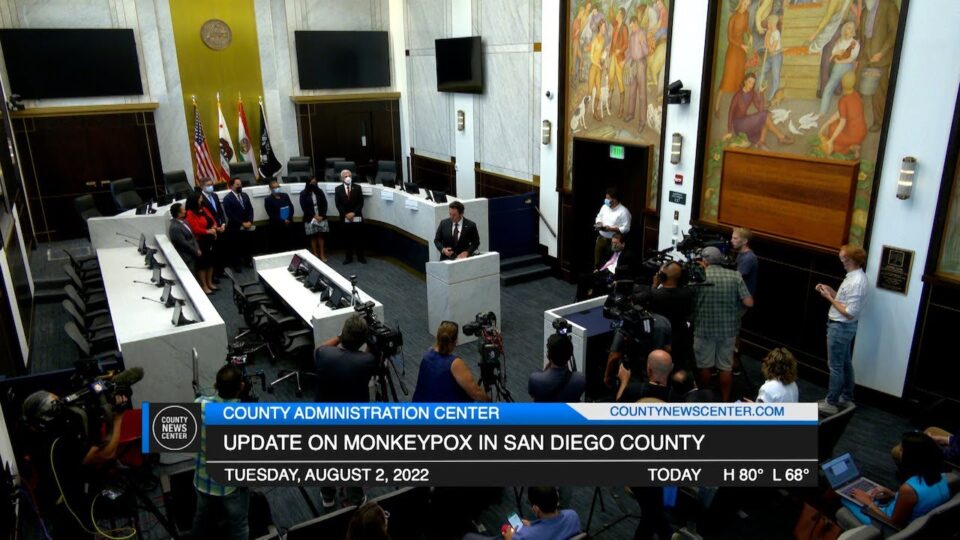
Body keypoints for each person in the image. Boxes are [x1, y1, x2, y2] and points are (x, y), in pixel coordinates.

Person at [20, 390, 127, 539]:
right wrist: (117, 419)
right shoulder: (60, 444)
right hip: (74, 516)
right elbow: (106, 454)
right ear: (48, 416)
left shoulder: (35, 435)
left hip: (57, 510)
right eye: (58, 406)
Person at [313, 314, 376, 508]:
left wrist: (340, 336)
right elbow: (372, 357)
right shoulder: (366, 361)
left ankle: (328, 495)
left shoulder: (324, 354)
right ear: (362, 340)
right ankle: (355, 497)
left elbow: (319, 348)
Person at [841, 432, 950, 528]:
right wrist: (893, 494)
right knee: (868, 496)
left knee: (843, 496)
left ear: (911, 457)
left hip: (884, 523)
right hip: (910, 517)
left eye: (902, 450)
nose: (899, 452)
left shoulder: (908, 489)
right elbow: (918, 501)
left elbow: (894, 524)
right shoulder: (942, 476)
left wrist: (869, 503)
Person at [192, 364, 249, 540]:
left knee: (201, 518)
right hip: (229, 489)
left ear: (215, 386)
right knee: (239, 525)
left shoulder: (198, 404)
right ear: (241, 387)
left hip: (201, 482)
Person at [692, 246, 753, 402]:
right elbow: (749, 302)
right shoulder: (735, 276)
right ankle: (725, 401)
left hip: (703, 329)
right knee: (725, 367)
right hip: (728, 331)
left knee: (704, 366)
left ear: (704, 261)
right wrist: (737, 315)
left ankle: (704, 399)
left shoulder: (699, 277)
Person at [816, 244, 870, 415]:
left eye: (844, 258)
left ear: (852, 260)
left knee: (835, 366)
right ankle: (846, 397)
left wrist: (828, 298)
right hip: (842, 327)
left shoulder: (857, 282)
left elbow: (848, 313)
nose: (842, 261)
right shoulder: (853, 277)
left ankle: (831, 402)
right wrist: (830, 291)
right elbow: (843, 300)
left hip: (840, 327)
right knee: (845, 363)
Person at [412, 321, 490, 403]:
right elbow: (475, 392)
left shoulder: (427, 354)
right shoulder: (455, 363)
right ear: (455, 341)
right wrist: (490, 402)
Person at [463, 486, 581, 540]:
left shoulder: (524, 535)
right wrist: (532, 525)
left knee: (468, 537)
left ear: (536, 509)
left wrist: (509, 536)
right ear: (557, 500)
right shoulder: (572, 515)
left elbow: (513, 536)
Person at [726, 72, 794, 149]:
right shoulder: (738, 95)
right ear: (745, 81)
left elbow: (760, 109)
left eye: (753, 83)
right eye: (749, 82)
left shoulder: (752, 93)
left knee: (765, 115)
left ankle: (762, 142)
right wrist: (729, 131)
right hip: (738, 124)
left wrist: (761, 93)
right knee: (765, 115)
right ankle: (781, 137)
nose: (751, 85)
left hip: (746, 121)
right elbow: (730, 112)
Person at [650, 261, 694, 372]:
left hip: (662, 338)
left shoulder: (655, 294)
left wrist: (654, 285)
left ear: (662, 277)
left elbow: (653, 298)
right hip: (681, 337)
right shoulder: (688, 293)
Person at [819, 71, 867, 158]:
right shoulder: (856, 95)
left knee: (833, 128)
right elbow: (841, 113)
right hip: (862, 131)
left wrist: (831, 140)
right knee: (832, 125)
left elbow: (842, 123)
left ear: (842, 83)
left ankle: (851, 147)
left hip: (852, 134)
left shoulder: (843, 100)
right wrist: (825, 124)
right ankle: (855, 146)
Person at [576, 232, 635, 301]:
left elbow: (629, 272)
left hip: (613, 276)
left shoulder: (628, 255)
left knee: (598, 284)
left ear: (623, 244)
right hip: (603, 272)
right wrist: (598, 268)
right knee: (582, 277)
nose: (613, 245)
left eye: (616, 243)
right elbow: (603, 260)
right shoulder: (610, 249)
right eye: (612, 242)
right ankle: (580, 301)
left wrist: (617, 280)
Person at [528, 334, 585, 402]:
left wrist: (544, 372)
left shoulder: (535, 379)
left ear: (549, 355)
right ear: (570, 355)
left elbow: (533, 395)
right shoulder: (580, 380)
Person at [185, 190, 219, 294]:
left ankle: (209, 283)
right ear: (195, 200)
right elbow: (195, 228)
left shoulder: (203, 209)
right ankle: (204, 285)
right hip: (200, 241)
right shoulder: (189, 213)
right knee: (202, 264)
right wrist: (207, 231)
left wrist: (214, 227)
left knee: (210, 262)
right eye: (200, 199)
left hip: (210, 239)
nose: (202, 200)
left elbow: (212, 220)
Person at [593, 187, 632, 268]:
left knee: (608, 265)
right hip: (601, 239)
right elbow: (599, 216)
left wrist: (611, 229)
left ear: (614, 199)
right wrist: (599, 223)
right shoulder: (604, 207)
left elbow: (626, 228)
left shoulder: (624, 212)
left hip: (613, 242)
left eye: (608, 198)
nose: (605, 200)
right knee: (597, 263)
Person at [223, 177, 255, 270]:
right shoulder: (227, 199)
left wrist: (250, 221)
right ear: (232, 186)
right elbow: (230, 214)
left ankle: (248, 262)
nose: (240, 186)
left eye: (240, 184)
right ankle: (236, 265)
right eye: (237, 185)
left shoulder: (245, 195)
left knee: (247, 245)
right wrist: (242, 223)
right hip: (235, 227)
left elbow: (250, 209)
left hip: (247, 225)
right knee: (236, 247)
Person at [335, 169, 366, 264]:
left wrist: (354, 213)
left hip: (357, 217)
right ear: (342, 178)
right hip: (345, 218)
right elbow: (338, 204)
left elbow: (361, 203)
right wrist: (346, 214)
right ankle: (348, 257)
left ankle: (360, 257)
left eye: (349, 176)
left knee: (359, 238)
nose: (348, 178)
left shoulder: (358, 188)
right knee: (347, 238)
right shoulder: (338, 189)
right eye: (345, 176)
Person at [199, 177, 227, 279]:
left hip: (220, 227)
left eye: (212, 184)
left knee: (222, 250)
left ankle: (221, 270)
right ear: (202, 186)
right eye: (208, 185)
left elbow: (220, 211)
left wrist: (223, 223)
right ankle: (214, 274)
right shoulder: (200, 198)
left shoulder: (215, 195)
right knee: (213, 253)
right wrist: (214, 228)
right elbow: (204, 217)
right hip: (211, 230)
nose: (211, 187)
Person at [891, 426, 960, 465]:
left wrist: (929, 444)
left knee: (898, 452)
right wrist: (943, 439)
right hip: (956, 446)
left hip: (954, 456)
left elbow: (954, 454)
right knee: (932, 430)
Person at [300, 176, 329, 262]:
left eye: (315, 183)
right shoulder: (303, 193)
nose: (313, 184)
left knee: (320, 235)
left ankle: (322, 254)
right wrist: (314, 216)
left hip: (320, 216)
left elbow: (325, 204)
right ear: (308, 183)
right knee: (313, 236)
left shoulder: (319, 192)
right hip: (310, 217)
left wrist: (322, 216)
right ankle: (315, 254)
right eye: (312, 183)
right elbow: (304, 207)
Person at [263, 179, 295, 252]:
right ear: (271, 189)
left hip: (288, 222)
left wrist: (288, 218)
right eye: (275, 187)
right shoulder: (268, 199)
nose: (277, 189)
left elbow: (291, 207)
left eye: (278, 186)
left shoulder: (285, 196)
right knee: (280, 246)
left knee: (290, 244)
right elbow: (271, 214)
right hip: (277, 225)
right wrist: (283, 220)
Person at [168, 202, 201, 272]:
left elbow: (192, 236)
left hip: (194, 253)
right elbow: (184, 243)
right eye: (183, 210)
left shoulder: (184, 221)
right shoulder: (175, 228)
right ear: (178, 214)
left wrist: (197, 248)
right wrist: (196, 251)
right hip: (187, 257)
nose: (185, 211)